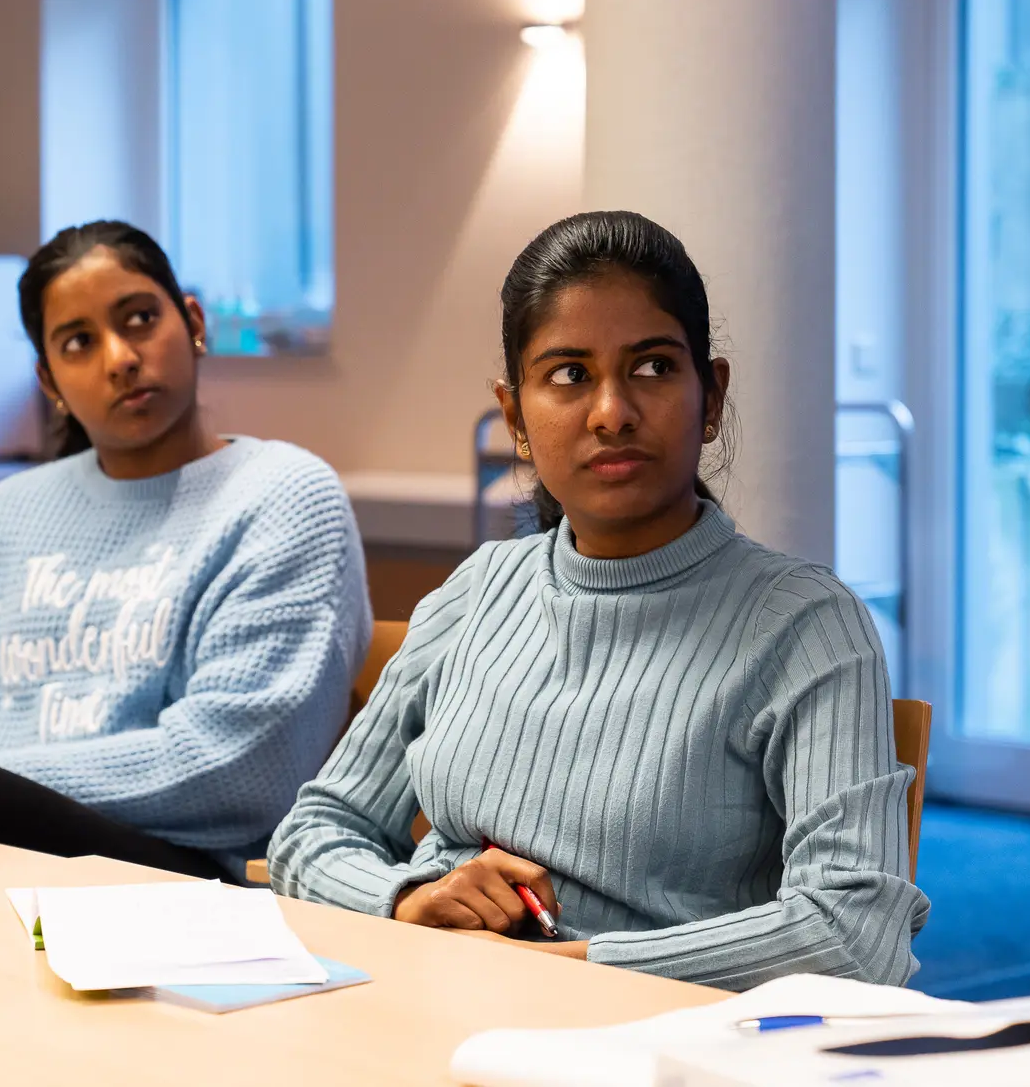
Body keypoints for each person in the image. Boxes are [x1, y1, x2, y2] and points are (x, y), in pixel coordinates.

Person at [268, 210, 929, 987]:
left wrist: (576, 966)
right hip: (426, 1006)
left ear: (710, 397)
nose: (612, 411)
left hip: (647, 1044)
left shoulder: (805, 625)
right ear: (515, 415)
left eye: (651, 367)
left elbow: (856, 932)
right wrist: (410, 898)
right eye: (570, 374)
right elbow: (311, 833)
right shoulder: (476, 591)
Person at [0, 220, 371, 883]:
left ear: (194, 323)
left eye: (141, 319)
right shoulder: (3, 516)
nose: (120, 357)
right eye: (79, 342)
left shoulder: (282, 496)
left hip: (184, 876)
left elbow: (242, 767)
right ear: (50, 381)